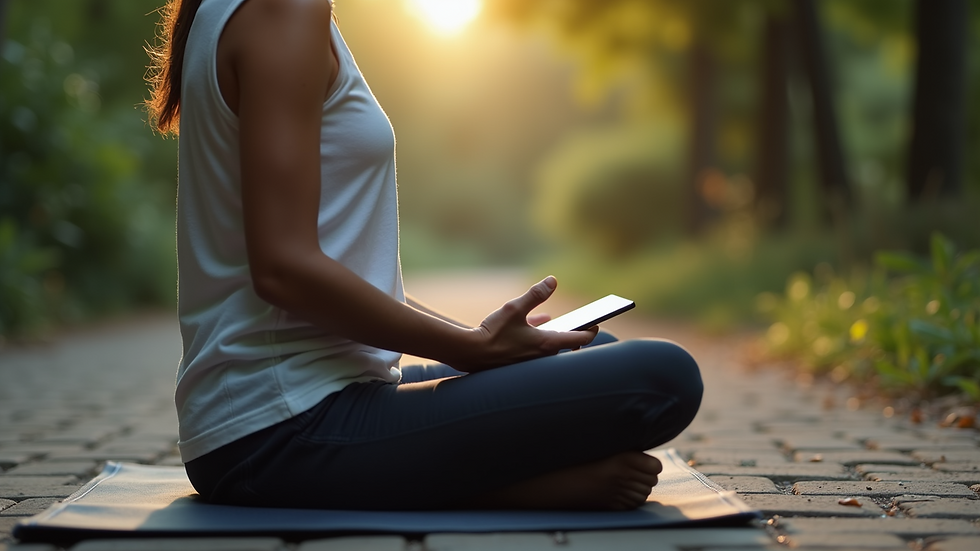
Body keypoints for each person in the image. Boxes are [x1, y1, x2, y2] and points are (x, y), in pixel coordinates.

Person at [145, 0, 703, 512]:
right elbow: (285, 271)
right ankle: (518, 488)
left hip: (309, 403)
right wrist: (471, 349)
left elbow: (340, 274)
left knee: (588, 349)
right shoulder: (282, 10)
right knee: (662, 376)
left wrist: (482, 341)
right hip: (276, 429)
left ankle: (483, 472)